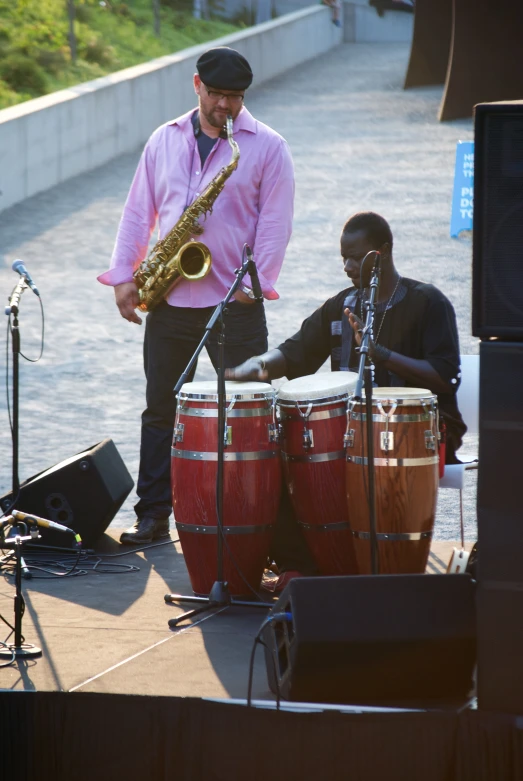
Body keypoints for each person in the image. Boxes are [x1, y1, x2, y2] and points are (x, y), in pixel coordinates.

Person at [98, 46, 295, 544]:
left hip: (235, 301)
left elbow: (275, 221)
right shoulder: (163, 140)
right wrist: (125, 276)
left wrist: (254, 285)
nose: (226, 106)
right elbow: (138, 212)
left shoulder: (268, 147)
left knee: (251, 411)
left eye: (236, 97)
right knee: (160, 410)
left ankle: (265, 520)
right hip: (171, 298)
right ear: (197, 86)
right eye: (218, 95)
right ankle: (153, 515)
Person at [226, 211, 466, 586]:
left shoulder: (428, 303)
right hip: (351, 435)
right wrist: (255, 366)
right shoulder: (343, 306)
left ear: (383, 252)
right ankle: (301, 565)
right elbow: (295, 352)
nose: (347, 266)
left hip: (420, 435)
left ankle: (382, 568)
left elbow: (445, 376)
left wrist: (380, 353)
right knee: (274, 459)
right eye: (343, 257)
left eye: (356, 256)